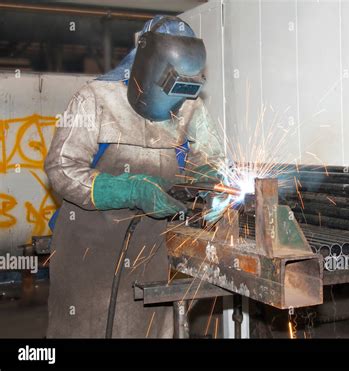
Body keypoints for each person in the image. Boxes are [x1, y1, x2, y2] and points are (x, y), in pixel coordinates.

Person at [44, 15, 224, 338]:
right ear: (146, 64)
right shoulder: (95, 100)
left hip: (149, 253)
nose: (177, 102)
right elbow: (61, 167)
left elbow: (210, 160)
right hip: (88, 256)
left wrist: (211, 186)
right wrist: (128, 190)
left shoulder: (190, 108)